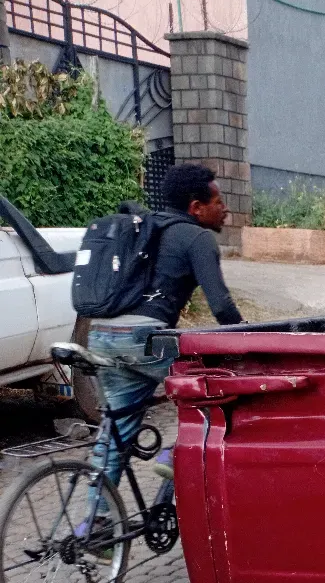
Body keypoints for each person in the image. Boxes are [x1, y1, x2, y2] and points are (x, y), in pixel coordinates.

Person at [87, 164, 244, 491]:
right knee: (216, 395)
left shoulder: (145, 227)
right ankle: (173, 456)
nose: (225, 208)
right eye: (218, 201)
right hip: (144, 339)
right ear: (196, 207)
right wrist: (250, 339)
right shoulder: (197, 238)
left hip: (102, 333)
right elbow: (222, 308)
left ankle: (97, 517)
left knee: (116, 433)